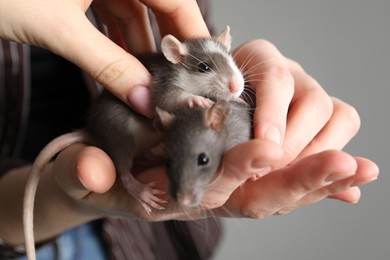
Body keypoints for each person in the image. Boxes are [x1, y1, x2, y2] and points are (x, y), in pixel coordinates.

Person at [0, 0, 379, 259]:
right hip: (26, 213)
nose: (232, 84)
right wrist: (64, 201)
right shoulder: (172, 80)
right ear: (174, 59)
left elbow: (198, 38)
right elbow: (168, 94)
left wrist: (262, 85)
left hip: (152, 247)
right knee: (117, 125)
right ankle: (130, 177)